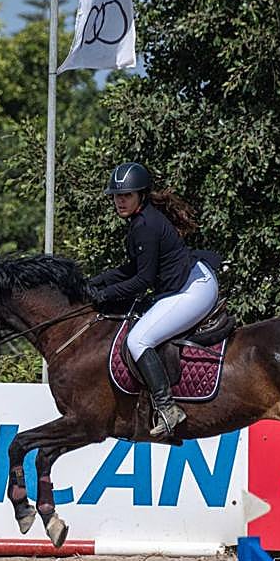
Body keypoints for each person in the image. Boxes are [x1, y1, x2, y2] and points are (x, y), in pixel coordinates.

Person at [87, 162, 221, 437]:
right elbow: (133, 268)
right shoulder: (140, 220)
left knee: (138, 340)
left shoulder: (145, 225)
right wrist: (96, 281)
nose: (119, 201)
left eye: (126, 195)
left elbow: (142, 281)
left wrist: (104, 294)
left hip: (193, 289)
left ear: (141, 196)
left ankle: (167, 407)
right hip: (184, 282)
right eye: (116, 195)